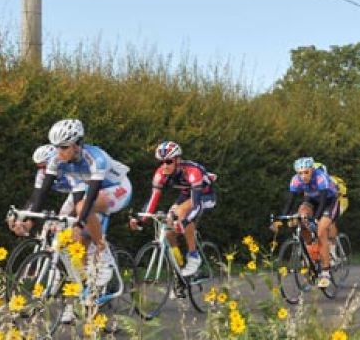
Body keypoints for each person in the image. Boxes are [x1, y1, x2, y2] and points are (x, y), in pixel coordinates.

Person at [26, 119, 132, 322]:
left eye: (63, 147)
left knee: (82, 210)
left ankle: (104, 253)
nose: (59, 152)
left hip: (117, 188)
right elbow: (41, 192)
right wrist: (30, 219)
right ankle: (79, 298)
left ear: (77, 145)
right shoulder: (57, 160)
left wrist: (79, 222)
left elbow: (91, 196)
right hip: (90, 194)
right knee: (76, 244)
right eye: (56, 147)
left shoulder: (96, 158)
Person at [130, 141, 217, 276]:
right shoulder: (161, 173)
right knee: (169, 231)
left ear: (178, 160)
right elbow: (153, 198)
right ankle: (180, 267)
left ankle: (194, 256)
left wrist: (183, 221)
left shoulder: (192, 172)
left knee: (183, 214)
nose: (165, 165)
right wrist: (142, 220)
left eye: (169, 161)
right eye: (162, 162)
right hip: (186, 195)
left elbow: (194, 203)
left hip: (204, 196)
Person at [271, 157, 340, 288]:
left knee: (321, 231)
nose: (303, 176)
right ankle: (310, 252)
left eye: (306, 172)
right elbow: (291, 200)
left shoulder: (320, 177)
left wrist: (316, 219)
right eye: (300, 173)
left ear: (312, 170)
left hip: (328, 201)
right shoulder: (295, 180)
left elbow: (323, 201)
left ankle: (326, 273)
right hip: (312, 200)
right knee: (301, 216)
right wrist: (281, 218)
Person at [9, 145, 87, 236]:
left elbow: (79, 196)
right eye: (40, 167)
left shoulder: (68, 169)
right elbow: (35, 198)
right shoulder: (41, 174)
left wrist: (72, 216)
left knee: (72, 220)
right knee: (60, 224)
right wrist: (21, 216)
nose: (43, 170)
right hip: (74, 192)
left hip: (86, 190)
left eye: (45, 166)